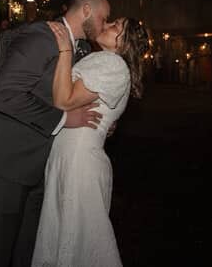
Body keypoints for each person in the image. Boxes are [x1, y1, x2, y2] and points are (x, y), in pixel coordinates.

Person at [0, 0, 109, 267]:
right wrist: (63, 119)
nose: (105, 25)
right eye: (105, 18)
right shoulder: (41, 37)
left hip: (34, 165)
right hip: (2, 164)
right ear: (87, 11)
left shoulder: (77, 47)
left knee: (26, 252)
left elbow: (59, 93)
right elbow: (7, 96)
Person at [32, 17, 149, 267]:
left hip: (79, 163)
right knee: (66, 236)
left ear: (125, 43)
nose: (106, 26)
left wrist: (64, 48)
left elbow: (63, 99)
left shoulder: (113, 64)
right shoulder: (103, 60)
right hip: (69, 157)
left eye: (115, 27)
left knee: (80, 242)